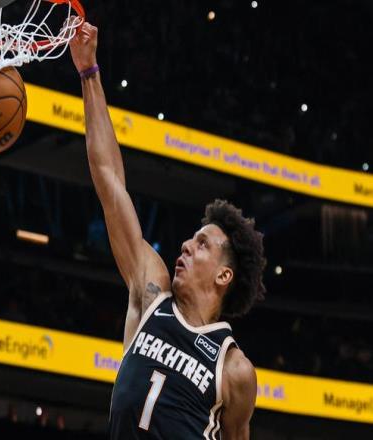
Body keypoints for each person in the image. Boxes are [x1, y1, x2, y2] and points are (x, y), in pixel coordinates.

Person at [69, 22, 266, 440]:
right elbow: (109, 180)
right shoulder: (151, 294)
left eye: (202, 244)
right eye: (192, 238)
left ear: (224, 275)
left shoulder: (234, 371)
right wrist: (88, 73)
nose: (186, 246)